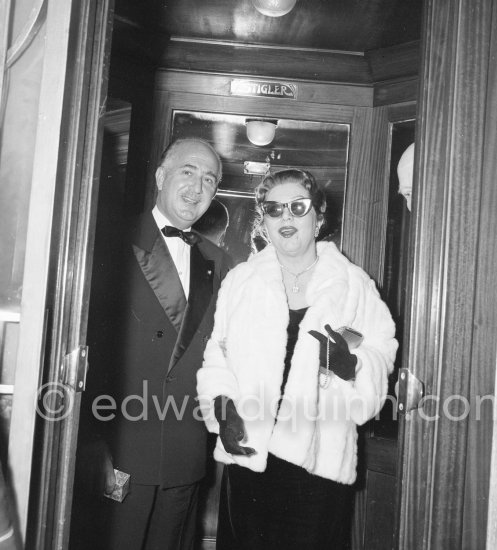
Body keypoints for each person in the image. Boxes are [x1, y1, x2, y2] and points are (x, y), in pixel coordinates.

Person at [197, 169, 397, 550]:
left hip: (316, 467)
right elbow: (216, 359)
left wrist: (351, 367)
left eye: (297, 207)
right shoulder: (242, 282)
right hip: (251, 456)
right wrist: (223, 410)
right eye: (274, 210)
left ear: (318, 217)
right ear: (264, 221)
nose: (285, 217)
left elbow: (380, 351)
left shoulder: (353, 286)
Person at [73, 138, 233, 550]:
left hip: (185, 454)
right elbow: (83, 352)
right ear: (161, 176)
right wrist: (91, 443)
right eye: (188, 172)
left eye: (209, 180)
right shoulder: (107, 241)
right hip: (120, 449)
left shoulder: (220, 262)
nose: (197, 188)